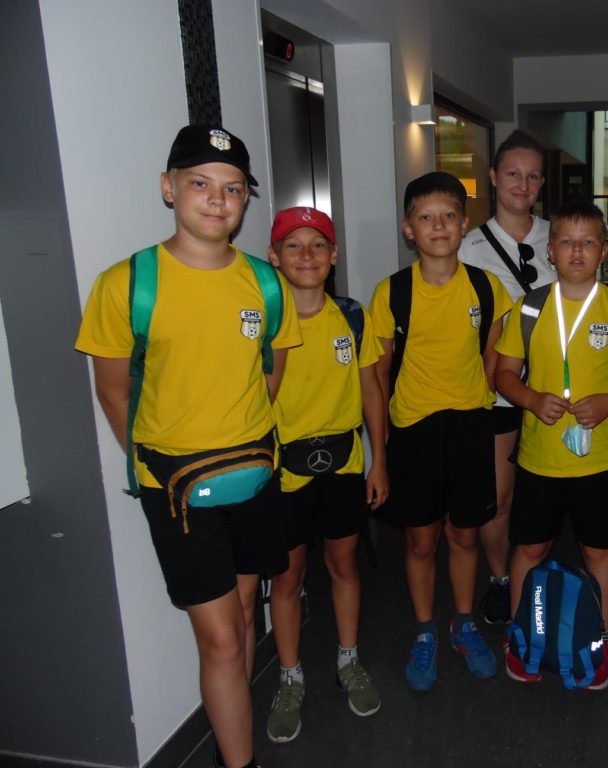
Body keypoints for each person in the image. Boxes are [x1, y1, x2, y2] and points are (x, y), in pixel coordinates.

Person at [75, 125, 302, 768]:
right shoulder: (128, 283)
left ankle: (238, 741)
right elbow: (113, 393)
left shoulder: (266, 284)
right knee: (223, 641)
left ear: (246, 199)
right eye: (200, 183)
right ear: (168, 188)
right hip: (177, 490)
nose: (216, 199)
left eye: (232, 188)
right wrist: (165, 460)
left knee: (246, 617)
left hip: (255, 476)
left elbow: (269, 379)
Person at [495, 200, 608, 687]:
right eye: (566, 242)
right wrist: (530, 397)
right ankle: (521, 640)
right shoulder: (529, 308)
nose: (577, 251)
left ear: (604, 251)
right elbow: (503, 374)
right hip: (539, 460)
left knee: (600, 553)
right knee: (529, 548)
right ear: (550, 251)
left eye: (587, 242)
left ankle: (600, 643)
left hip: (600, 462)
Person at [368, 171, 513, 692]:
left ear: (464, 222)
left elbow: (494, 359)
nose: (438, 225)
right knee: (422, 541)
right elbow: (377, 376)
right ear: (408, 228)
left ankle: (464, 624)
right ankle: (426, 630)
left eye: (448, 215)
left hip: (470, 427)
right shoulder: (392, 293)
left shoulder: (486, 288)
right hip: (414, 431)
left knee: (465, 535)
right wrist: (380, 455)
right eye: (425, 217)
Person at [263, 207, 388, 742]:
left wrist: (379, 459)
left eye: (318, 245)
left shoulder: (352, 317)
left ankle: (348, 660)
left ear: (334, 255)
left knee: (343, 565)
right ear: (274, 257)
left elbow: (371, 391)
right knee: (287, 577)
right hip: (282, 470)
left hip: (344, 464)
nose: (307, 256)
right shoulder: (264, 323)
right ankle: (290, 678)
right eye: (293, 246)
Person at [460, 130, 556, 626]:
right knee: (497, 497)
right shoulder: (467, 248)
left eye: (533, 176)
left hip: (554, 389)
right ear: (494, 177)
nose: (523, 184)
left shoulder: (559, 238)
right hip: (494, 390)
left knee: (546, 492)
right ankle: (501, 579)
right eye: (514, 174)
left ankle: (534, 572)